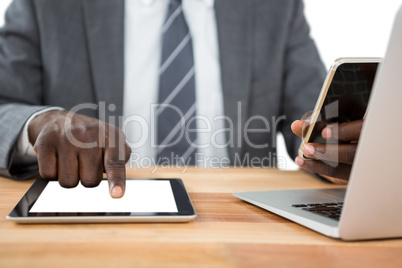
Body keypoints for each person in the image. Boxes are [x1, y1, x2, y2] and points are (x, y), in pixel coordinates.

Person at [0, 0, 356, 198]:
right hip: (92, 219)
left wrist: (337, 142)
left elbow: (314, 121)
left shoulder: (274, 8)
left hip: (242, 228)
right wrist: (40, 121)